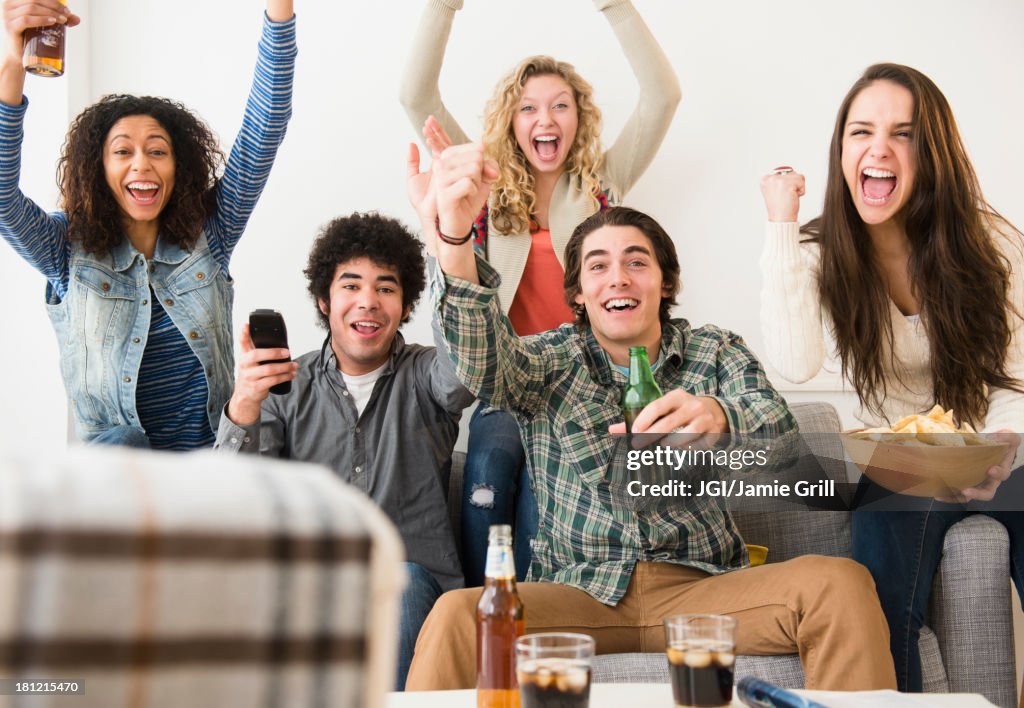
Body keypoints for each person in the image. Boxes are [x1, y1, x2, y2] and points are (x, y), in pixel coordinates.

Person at [405, 142, 898, 690]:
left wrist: (721, 417)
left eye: (636, 262)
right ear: (579, 292)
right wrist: (453, 236)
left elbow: (779, 438)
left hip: (703, 589)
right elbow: (479, 362)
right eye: (599, 266)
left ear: (665, 284)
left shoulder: (715, 351)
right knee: (454, 615)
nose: (618, 278)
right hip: (579, 594)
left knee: (840, 582)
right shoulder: (543, 360)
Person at [759, 62, 1023, 693]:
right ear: (841, 150)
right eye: (861, 132)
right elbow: (794, 364)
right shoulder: (818, 255)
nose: (878, 149)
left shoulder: (992, 245)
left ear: (930, 153)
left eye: (902, 134)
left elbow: (1015, 381)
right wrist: (780, 228)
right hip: (904, 460)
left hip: (1001, 449)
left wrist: (1002, 449)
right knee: (882, 599)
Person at [400, 0, 681, 586]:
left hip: (580, 385)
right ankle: (482, 611)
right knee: (485, 478)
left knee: (537, 503)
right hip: (509, 379)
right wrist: (443, 7)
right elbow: (415, 97)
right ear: (511, 120)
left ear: (578, 119)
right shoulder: (484, 176)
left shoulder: (604, 181)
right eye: (528, 108)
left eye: (559, 105)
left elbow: (662, 96)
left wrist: (615, 7)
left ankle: (536, 617)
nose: (544, 118)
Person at [0, 0, 296, 450]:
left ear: (180, 168)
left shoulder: (210, 236)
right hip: (117, 487)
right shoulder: (65, 250)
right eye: (123, 151)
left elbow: (266, 124)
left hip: (210, 472)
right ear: (97, 170)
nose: (142, 164)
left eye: (157, 150)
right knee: (125, 443)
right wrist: (9, 66)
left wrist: (280, 11)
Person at [214, 212, 475, 691]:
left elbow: (466, 372)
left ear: (407, 303)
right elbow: (234, 495)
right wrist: (246, 401)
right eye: (351, 286)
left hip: (416, 593)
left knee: (404, 581)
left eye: (386, 288)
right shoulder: (286, 385)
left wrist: (450, 246)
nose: (368, 303)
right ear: (324, 300)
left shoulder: (426, 374)